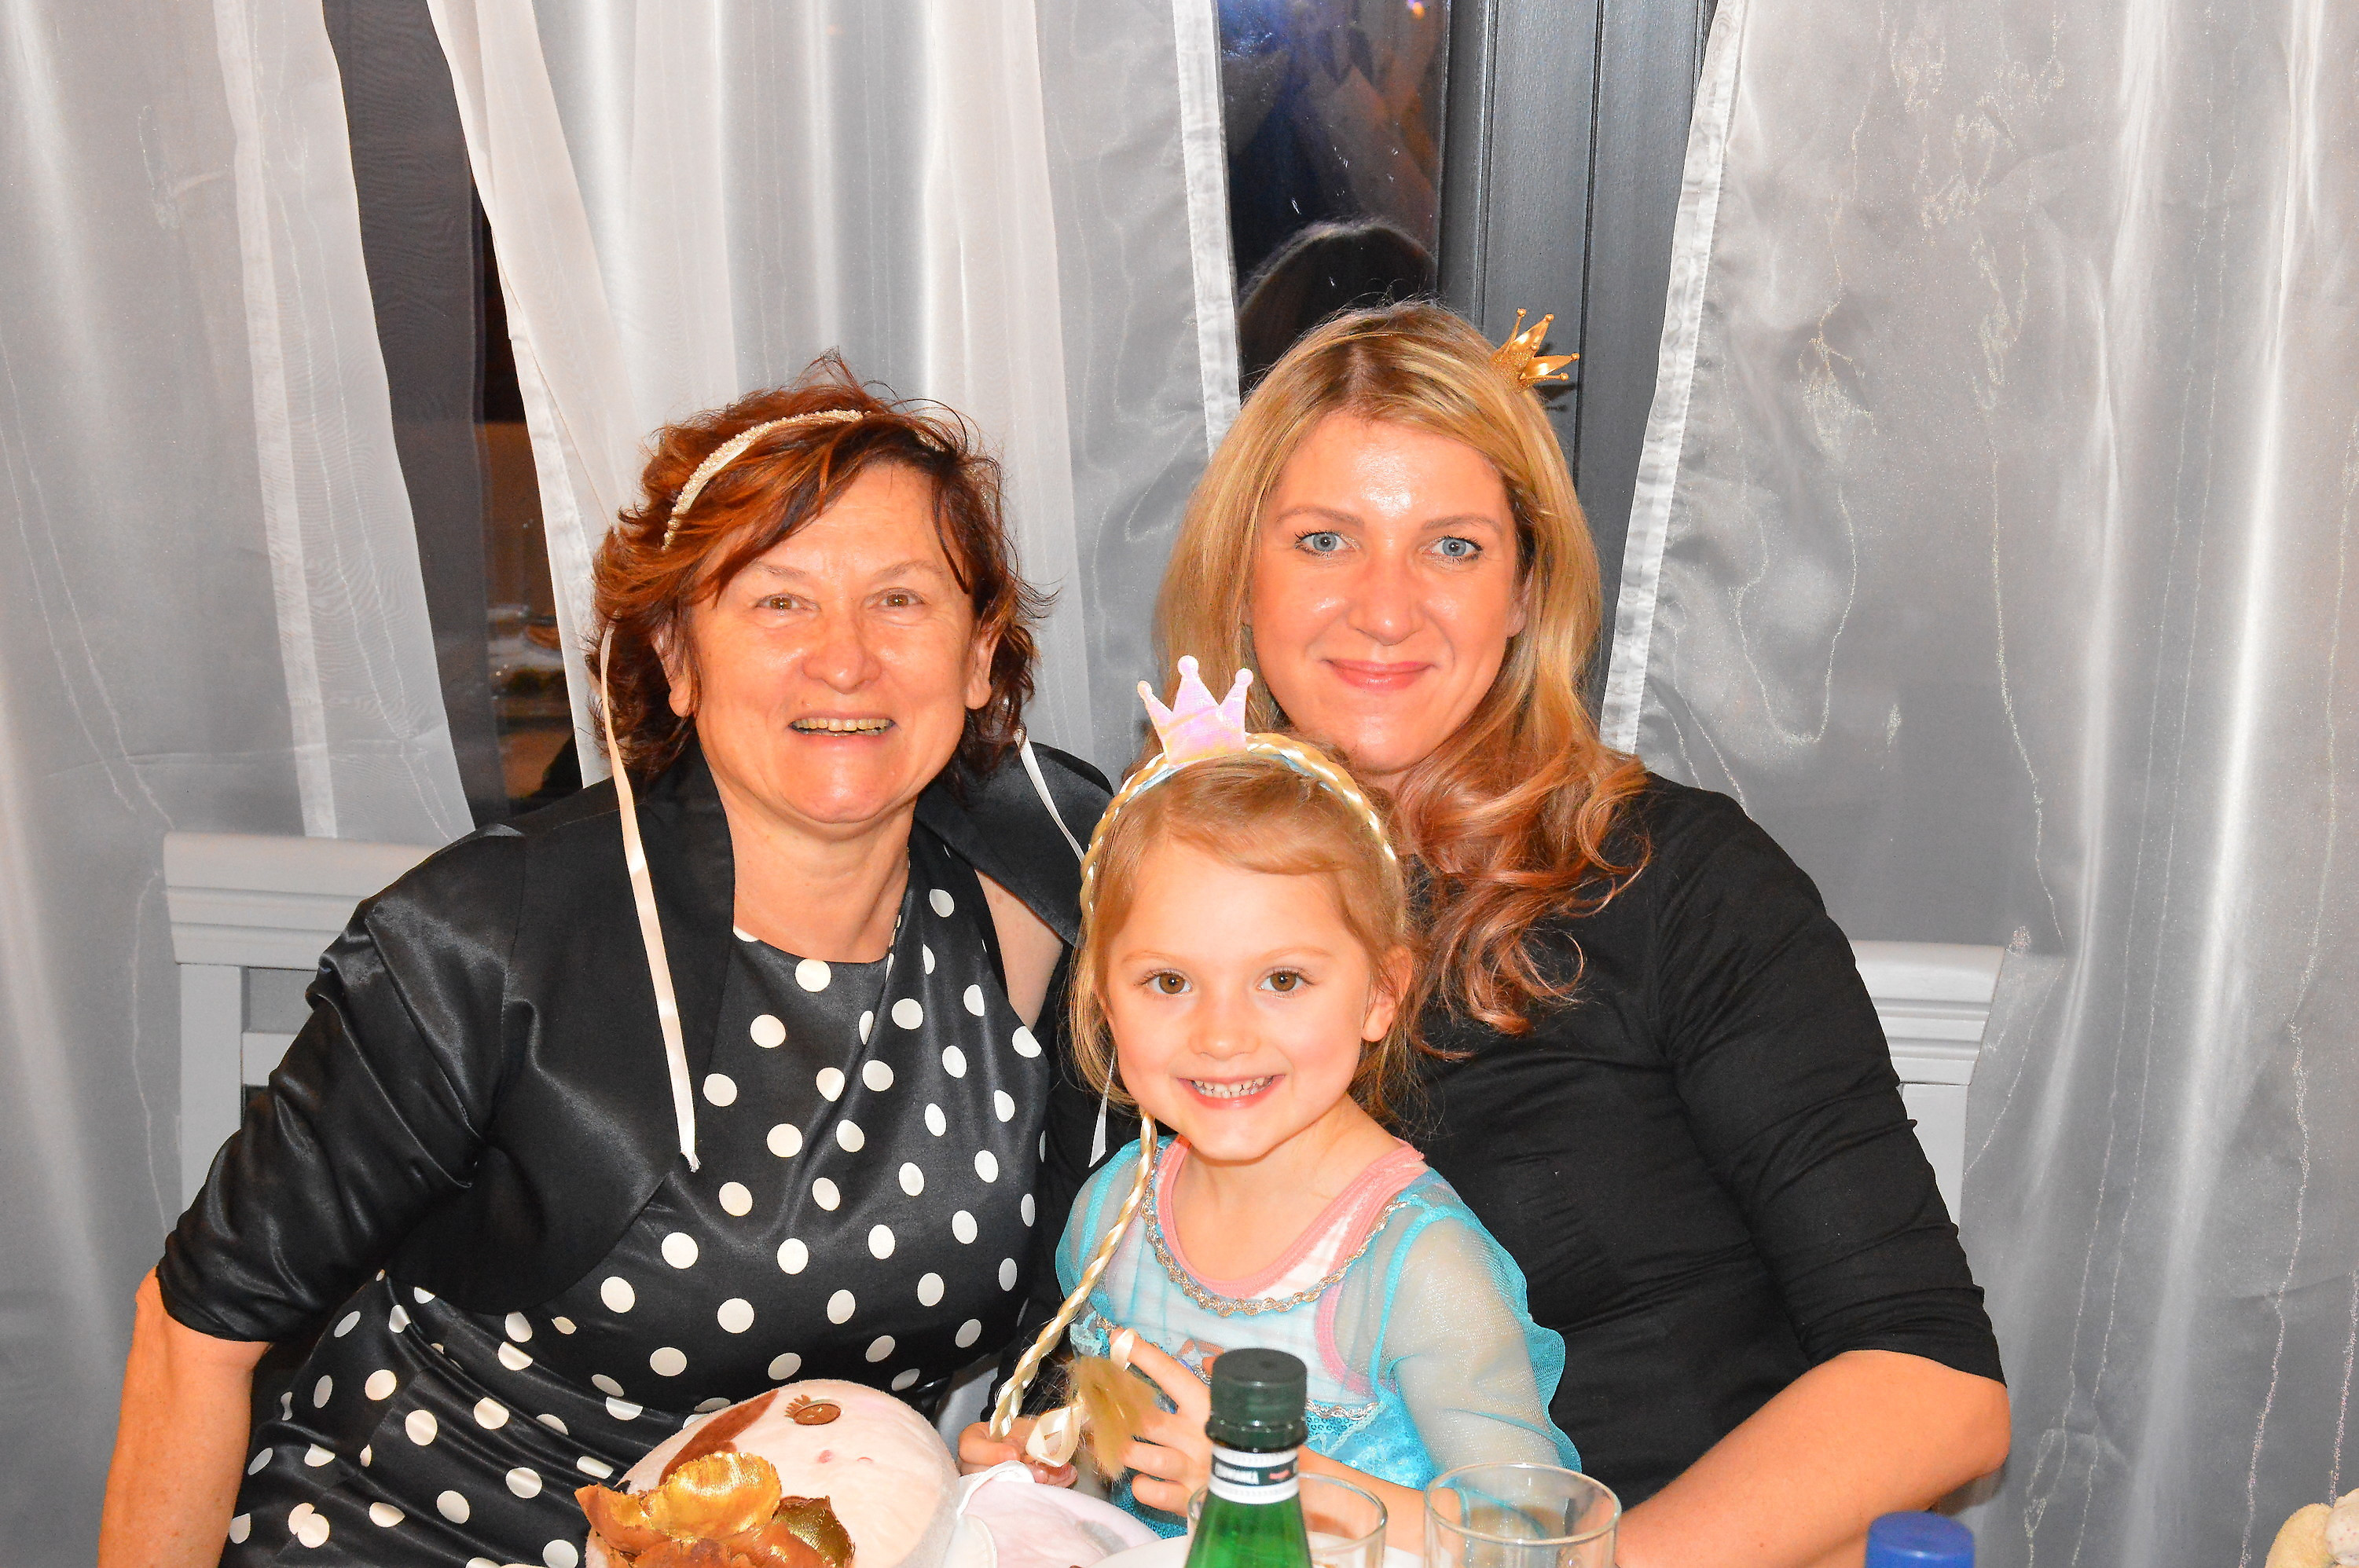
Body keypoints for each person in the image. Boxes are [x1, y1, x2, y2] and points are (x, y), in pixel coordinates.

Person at [1032, 302, 2011, 1568]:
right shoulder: (1161, 880)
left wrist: (1586, 1565)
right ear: (1240, 578)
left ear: (1524, 596)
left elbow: (1933, 1383)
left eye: (1451, 547)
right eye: (1324, 540)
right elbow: (1090, 1313)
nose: (1384, 609)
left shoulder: (1681, 886)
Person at [97, 358, 1110, 1568]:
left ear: (981, 654)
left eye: (900, 600)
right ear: (676, 657)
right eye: (778, 602)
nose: (844, 659)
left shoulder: (1050, 900)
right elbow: (195, 1331)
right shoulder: (491, 941)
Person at [962, 661, 1573, 1534]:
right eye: (1168, 981)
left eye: (1282, 980)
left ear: (1379, 994)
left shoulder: (1417, 1270)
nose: (1221, 1035)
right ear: (1103, 1000)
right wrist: (1052, 1467)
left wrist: (1273, 1480)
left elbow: (1535, 1538)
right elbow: (1122, 1471)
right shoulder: (1113, 1216)